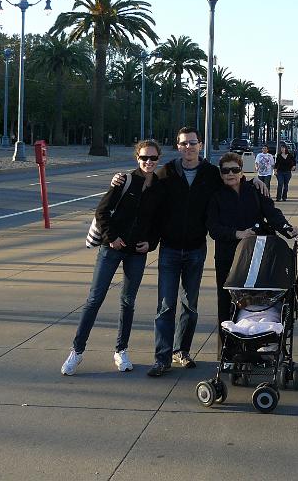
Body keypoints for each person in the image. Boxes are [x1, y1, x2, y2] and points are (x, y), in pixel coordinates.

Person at [110, 127, 268, 377]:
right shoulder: (167, 172)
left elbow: (232, 178)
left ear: (200, 144)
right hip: (170, 249)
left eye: (193, 143)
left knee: (189, 305)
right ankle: (161, 358)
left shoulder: (210, 173)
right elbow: (145, 185)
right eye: (183, 144)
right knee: (165, 306)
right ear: (178, 146)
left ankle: (181, 351)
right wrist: (120, 179)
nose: (188, 147)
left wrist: (254, 180)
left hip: (196, 249)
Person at [61, 140, 164, 376]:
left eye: (153, 158)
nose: (149, 162)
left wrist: (151, 243)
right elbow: (101, 211)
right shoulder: (125, 180)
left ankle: (121, 350)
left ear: (159, 159)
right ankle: (77, 351)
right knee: (95, 299)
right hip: (112, 248)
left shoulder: (160, 187)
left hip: (136, 253)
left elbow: (159, 221)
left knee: (128, 302)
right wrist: (111, 238)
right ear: (136, 158)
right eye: (144, 158)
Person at [207, 152, 298, 353]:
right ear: (220, 174)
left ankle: (262, 341)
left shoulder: (255, 190)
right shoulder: (216, 195)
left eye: (235, 169)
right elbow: (213, 228)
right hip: (229, 256)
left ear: (242, 172)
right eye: (225, 171)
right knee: (227, 302)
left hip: (257, 254)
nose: (230, 174)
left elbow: (272, 213)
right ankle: (228, 350)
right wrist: (238, 234)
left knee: (261, 297)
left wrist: (287, 228)